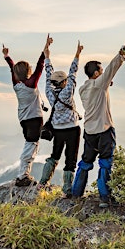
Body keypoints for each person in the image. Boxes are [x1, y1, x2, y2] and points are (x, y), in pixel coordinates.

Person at [72, 35, 125, 207]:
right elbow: (112, 68)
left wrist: (106, 83)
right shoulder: (100, 84)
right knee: (106, 163)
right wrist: (124, 49)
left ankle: (76, 193)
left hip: (89, 131)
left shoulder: (83, 89)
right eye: (100, 71)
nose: (102, 72)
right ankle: (104, 198)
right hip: (105, 129)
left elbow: (102, 82)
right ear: (96, 74)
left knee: (85, 162)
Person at [3, 34, 52, 187]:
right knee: (31, 146)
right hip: (34, 120)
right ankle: (22, 176)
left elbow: (12, 68)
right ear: (28, 72)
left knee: (31, 142)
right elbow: (40, 66)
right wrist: (45, 49)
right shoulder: (31, 84)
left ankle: (24, 174)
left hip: (24, 120)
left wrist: (7, 57)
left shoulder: (16, 85)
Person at [38, 40, 83, 198]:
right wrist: (77, 54)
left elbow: (48, 73)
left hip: (57, 129)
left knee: (55, 155)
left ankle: (43, 182)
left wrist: (47, 56)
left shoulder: (49, 92)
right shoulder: (67, 92)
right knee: (70, 158)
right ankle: (67, 190)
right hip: (72, 129)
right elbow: (73, 73)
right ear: (64, 82)